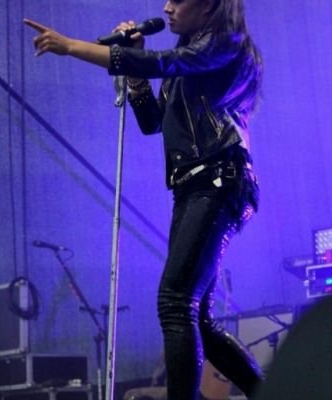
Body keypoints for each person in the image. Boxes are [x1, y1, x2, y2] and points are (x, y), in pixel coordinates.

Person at [24, 0, 264, 399]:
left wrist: (72, 46)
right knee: (197, 317)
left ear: (208, 6)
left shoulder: (225, 42)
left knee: (175, 303)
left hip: (219, 179)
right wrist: (134, 66)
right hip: (193, 187)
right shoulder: (190, 58)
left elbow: (163, 62)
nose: (167, 8)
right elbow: (152, 121)